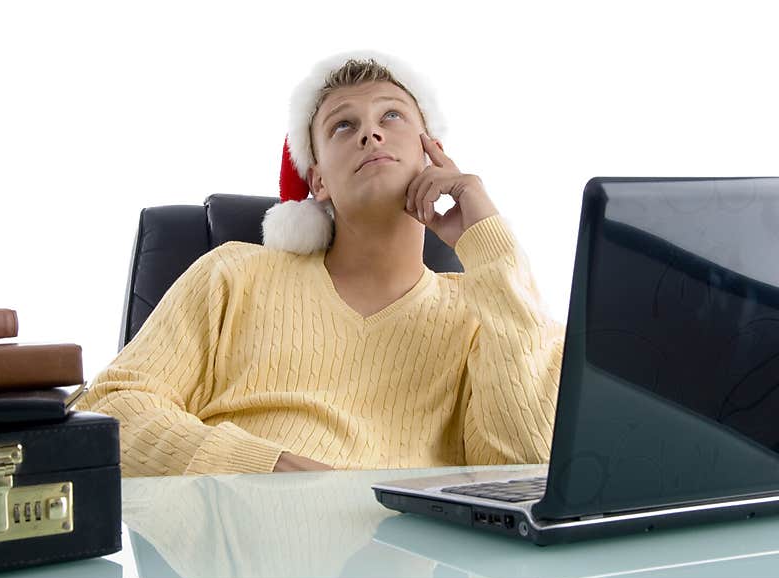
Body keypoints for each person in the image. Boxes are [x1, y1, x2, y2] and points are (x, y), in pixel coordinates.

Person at [74, 50, 565, 477]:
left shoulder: (486, 313)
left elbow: (526, 462)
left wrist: (489, 244)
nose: (371, 133)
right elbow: (112, 408)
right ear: (318, 182)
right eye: (343, 125)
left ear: (432, 153)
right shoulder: (234, 274)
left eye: (392, 116)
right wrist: (260, 468)